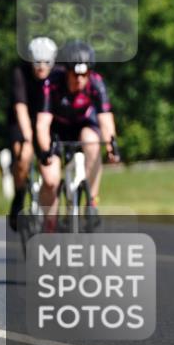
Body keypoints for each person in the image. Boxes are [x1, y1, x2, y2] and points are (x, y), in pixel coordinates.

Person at [35, 40, 119, 224]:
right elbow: (42, 124)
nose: (80, 79)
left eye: (85, 74)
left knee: (92, 142)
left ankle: (91, 201)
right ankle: (49, 224)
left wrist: (112, 146)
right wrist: (45, 151)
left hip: (84, 125)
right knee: (50, 180)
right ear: (66, 71)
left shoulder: (96, 83)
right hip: (56, 130)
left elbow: (105, 119)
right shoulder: (52, 83)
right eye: (75, 74)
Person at [6, 36, 60, 230]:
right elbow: (20, 109)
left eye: (46, 63)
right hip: (22, 121)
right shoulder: (20, 74)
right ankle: (19, 196)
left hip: (46, 121)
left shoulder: (59, 74)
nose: (41, 67)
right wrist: (28, 139)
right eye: (37, 63)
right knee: (24, 156)